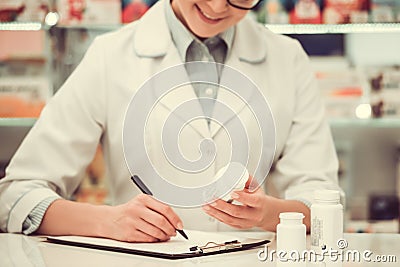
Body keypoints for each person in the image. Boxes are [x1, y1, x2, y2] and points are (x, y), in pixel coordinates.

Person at [0, 0, 341, 242]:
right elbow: (16, 196)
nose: (219, 7)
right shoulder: (110, 55)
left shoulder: (288, 59)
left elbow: (323, 202)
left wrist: (267, 213)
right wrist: (109, 221)